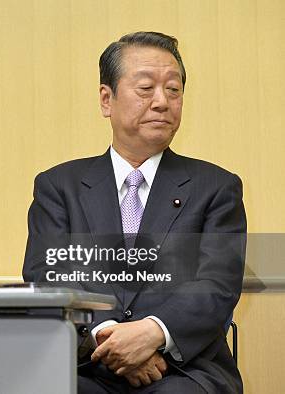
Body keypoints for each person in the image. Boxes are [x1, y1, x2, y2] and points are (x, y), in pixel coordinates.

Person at [23, 32, 246, 393]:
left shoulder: (217, 188)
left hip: (183, 369)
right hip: (87, 364)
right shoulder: (58, 187)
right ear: (106, 99)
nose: (162, 102)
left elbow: (216, 286)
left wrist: (153, 333)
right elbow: (48, 277)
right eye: (146, 88)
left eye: (173, 90)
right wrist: (110, 342)